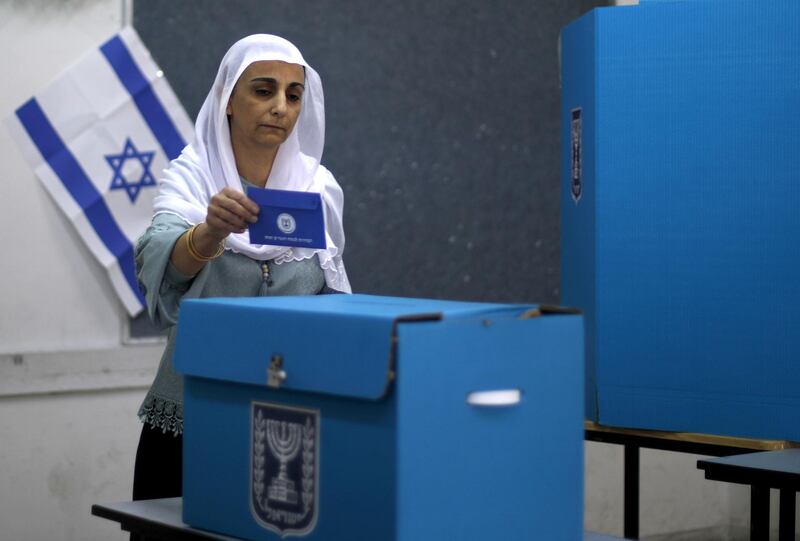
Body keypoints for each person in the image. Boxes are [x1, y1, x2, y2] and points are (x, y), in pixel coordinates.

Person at [131, 34, 351, 502]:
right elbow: (160, 271)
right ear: (228, 100)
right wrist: (208, 231)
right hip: (193, 421)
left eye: (293, 95)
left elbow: (333, 297)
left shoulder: (317, 187)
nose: (280, 107)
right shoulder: (194, 175)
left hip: (288, 428)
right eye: (263, 90)